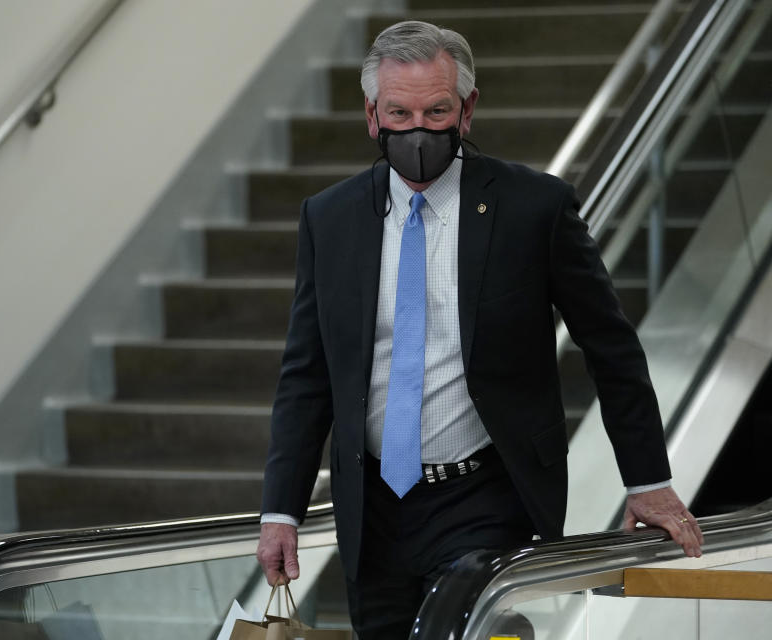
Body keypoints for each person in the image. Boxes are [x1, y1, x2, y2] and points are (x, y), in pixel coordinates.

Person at [256, 20, 704, 639]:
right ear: (371, 115)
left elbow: (611, 347)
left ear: (467, 111)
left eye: (436, 111)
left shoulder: (534, 208)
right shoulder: (329, 219)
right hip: (372, 508)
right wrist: (281, 509)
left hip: (485, 495)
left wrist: (648, 480)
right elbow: (306, 373)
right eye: (400, 113)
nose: (417, 130)